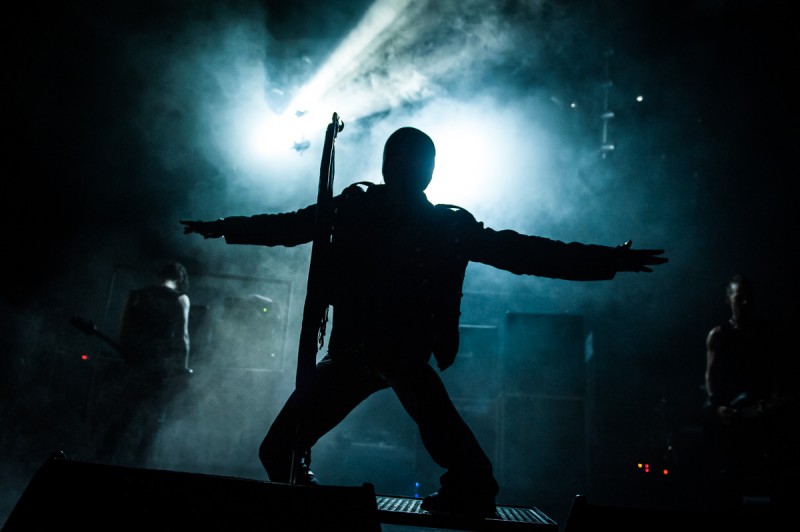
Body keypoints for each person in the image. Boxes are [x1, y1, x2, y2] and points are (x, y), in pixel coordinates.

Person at [181, 126, 668, 516]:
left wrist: (606, 261)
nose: (409, 171)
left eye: (414, 163)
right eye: (406, 162)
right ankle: (446, 484)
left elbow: (526, 253)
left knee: (401, 398)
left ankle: (471, 482)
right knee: (280, 451)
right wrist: (227, 228)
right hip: (357, 351)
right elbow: (291, 225)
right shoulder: (359, 210)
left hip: (396, 348)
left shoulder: (441, 225)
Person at [93, 261, 193, 467]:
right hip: (160, 368)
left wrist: (128, 356)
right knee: (152, 420)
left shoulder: (136, 295)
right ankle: (141, 464)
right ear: (180, 280)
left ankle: (103, 461)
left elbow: (123, 330)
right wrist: (183, 369)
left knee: (123, 415)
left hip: (134, 363)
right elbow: (182, 337)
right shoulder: (180, 299)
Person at [703, 273, 786, 506]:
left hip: (762, 410)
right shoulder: (719, 335)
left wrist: (773, 401)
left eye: (749, 297)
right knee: (731, 473)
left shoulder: (767, 333)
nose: (745, 303)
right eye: (739, 298)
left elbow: (777, 371)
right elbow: (710, 374)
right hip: (732, 411)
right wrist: (718, 406)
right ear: (728, 300)